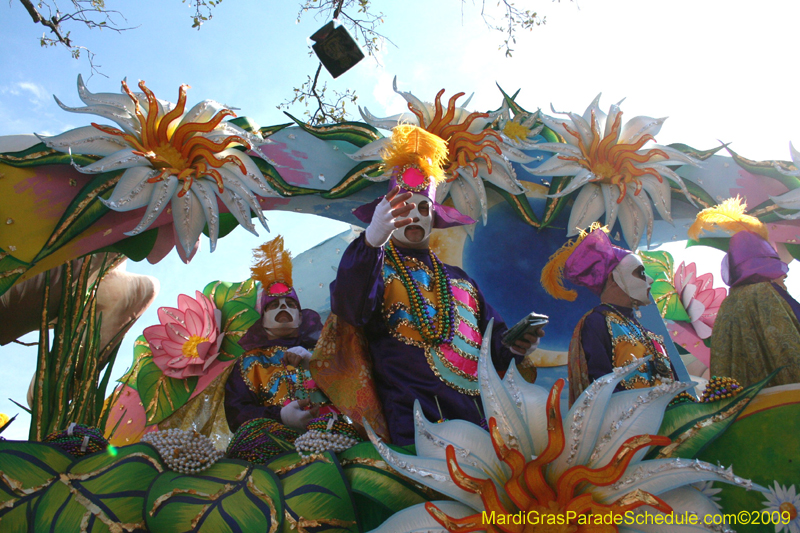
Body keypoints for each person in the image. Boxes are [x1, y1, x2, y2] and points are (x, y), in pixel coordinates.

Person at [328, 125, 542, 445]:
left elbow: (491, 342)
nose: (414, 216)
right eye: (403, 208)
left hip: (482, 417)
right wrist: (371, 242)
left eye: (423, 208)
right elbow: (349, 308)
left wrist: (514, 344)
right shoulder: (375, 267)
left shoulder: (461, 280)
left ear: (434, 217)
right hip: (416, 423)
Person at [541, 226, 676, 406]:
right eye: (641, 273)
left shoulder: (649, 334)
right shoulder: (597, 323)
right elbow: (601, 387)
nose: (649, 280)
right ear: (613, 279)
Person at [690, 197, 800, 386]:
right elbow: (788, 351)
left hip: (746, 405)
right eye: (782, 275)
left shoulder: (730, 303)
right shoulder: (765, 294)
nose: (784, 280)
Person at [224, 236, 324, 433]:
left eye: (290, 304)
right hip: (273, 446)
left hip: (333, 436)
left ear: (301, 317)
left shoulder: (322, 353)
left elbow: (351, 392)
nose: (283, 307)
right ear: (263, 320)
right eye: (274, 305)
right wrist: (281, 417)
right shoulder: (249, 363)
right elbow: (237, 414)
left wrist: (316, 363)